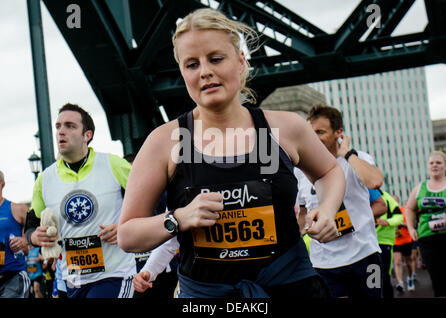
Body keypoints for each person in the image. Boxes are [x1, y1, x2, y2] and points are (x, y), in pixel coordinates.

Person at [118, 8, 346, 299]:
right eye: (191, 64)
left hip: (290, 287)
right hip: (207, 298)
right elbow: (127, 235)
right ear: (182, 74)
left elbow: (330, 172)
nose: (205, 72)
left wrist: (327, 209)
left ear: (240, 61)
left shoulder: (285, 127)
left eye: (215, 59)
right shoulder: (165, 141)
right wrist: (179, 218)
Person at [26, 103, 136, 298]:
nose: (61, 131)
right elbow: (30, 228)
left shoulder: (113, 164)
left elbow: (153, 203)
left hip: (114, 274)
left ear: (87, 135)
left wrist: (124, 226)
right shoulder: (45, 179)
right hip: (73, 279)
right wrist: (36, 237)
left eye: (70, 126)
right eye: (58, 126)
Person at [296, 104, 384, 298]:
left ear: (338, 133)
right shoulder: (300, 170)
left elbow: (376, 181)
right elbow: (302, 213)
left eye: (320, 132)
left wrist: (347, 154)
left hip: (365, 256)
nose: (314, 137)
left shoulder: (358, 158)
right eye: (311, 132)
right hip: (324, 263)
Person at [405, 150, 446, 297]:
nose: (435, 165)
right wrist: (411, 228)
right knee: (438, 281)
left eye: (438, 162)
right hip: (428, 239)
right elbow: (410, 209)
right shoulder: (419, 188)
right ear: (427, 166)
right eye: (431, 163)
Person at [0, 170, 31, 298]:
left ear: (2, 184)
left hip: (13, 276)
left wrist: (24, 241)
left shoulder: (18, 209)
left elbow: (33, 235)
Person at [373, 190, 403, 298]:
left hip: (383, 242)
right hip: (366, 244)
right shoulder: (359, 193)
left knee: (384, 277)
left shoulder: (386, 197)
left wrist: (388, 222)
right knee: (373, 279)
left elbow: (399, 217)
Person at [393, 200, 416, 293]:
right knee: (397, 262)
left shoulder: (404, 211)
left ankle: (410, 278)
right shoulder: (389, 213)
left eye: (395, 201)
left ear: (398, 201)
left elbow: (410, 225)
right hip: (395, 241)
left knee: (407, 262)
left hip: (406, 240)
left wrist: (400, 224)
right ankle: (400, 283)